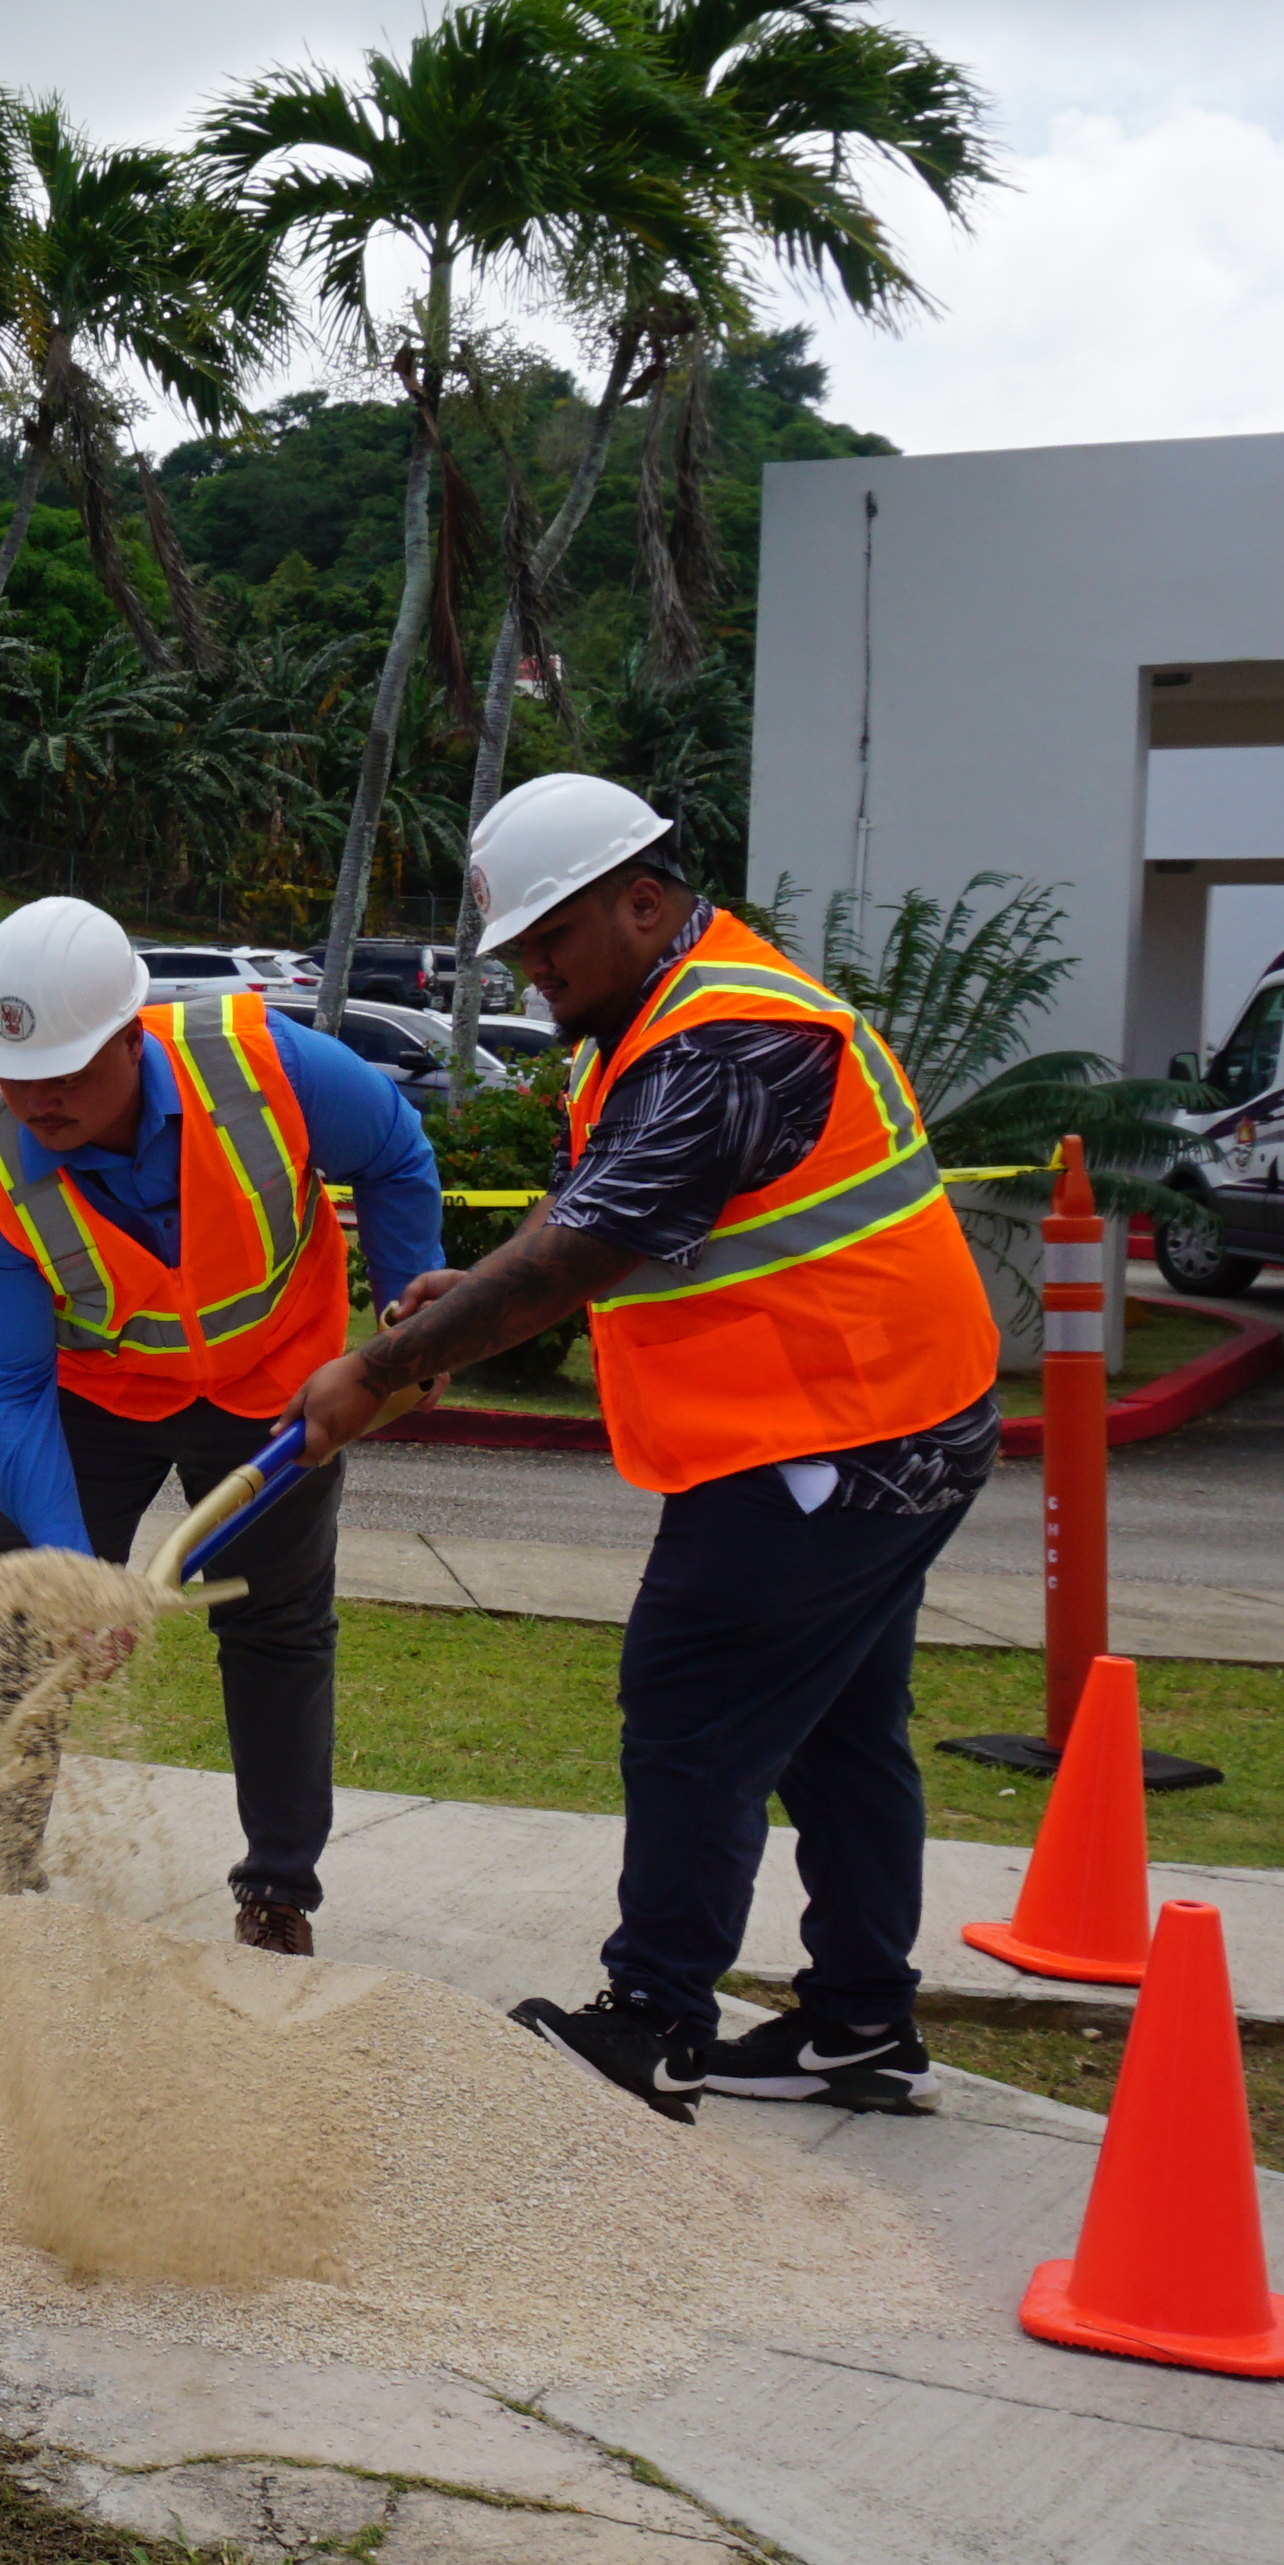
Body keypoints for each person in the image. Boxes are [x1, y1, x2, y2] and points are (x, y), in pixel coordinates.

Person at [289, 774, 1013, 2121]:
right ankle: (862, 2021)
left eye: (554, 942)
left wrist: (380, 1369)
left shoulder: (728, 1040)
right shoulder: (668, 1019)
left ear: (644, 900)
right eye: (524, 952)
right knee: (843, 1732)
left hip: (829, 1441)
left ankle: (656, 2021)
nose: (539, 974)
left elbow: (587, 1246)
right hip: (889, 1420)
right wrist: (472, 1297)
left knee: (694, 1710)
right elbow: (618, 1214)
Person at [0, 893, 447, 1953]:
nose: (38, 1099)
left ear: (132, 1033)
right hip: (97, 1399)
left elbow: (395, 1150)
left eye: (68, 1069)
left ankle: (278, 1891)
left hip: (274, 1392)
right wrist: (82, 1577)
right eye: (17, 1072)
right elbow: (13, 1389)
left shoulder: (268, 1066)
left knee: (277, 1628)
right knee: (31, 1612)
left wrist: (404, 1328)